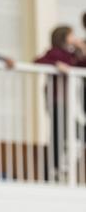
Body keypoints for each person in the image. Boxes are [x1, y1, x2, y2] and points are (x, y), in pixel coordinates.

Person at [34, 26, 86, 179]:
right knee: (58, 133)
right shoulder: (55, 52)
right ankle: (52, 169)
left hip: (67, 101)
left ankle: (55, 168)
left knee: (66, 131)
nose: (74, 37)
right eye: (71, 35)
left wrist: (82, 48)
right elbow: (38, 61)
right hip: (56, 99)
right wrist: (56, 64)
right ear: (64, 36)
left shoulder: (72, 54)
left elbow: (82, 64)